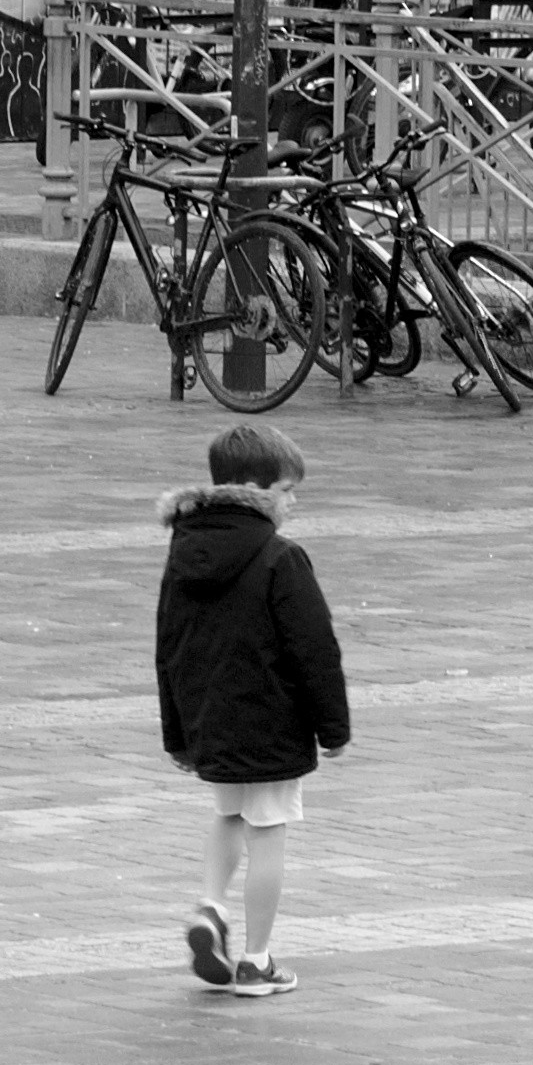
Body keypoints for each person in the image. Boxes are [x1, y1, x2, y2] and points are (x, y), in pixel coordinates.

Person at [154, 423, 351, 999]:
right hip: (271, 718)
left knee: (229, 815)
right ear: (255, 488)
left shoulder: (185, 550)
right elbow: (315, 649)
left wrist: (178, 733)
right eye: (287, 491)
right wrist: (333, 727)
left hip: (210, 717)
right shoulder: (279, 557)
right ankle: (256, 961)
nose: (291, 503)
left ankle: (211, 908)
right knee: (269, 829)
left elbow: (168, 644)